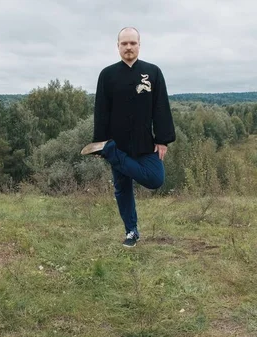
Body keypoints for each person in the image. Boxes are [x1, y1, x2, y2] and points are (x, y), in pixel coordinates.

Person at [80, 27, 176, 247]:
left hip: (145, 143)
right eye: (124, 43)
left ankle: (112, 153)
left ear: (139, 45)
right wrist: (100, 142)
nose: (129, 47)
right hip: (119, 142)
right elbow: (101, 111)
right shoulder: (107, 74)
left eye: (133, 43)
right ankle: (131, 232)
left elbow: (161, 106)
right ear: (118, 46)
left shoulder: (152, 72)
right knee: (122, 189)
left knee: (155, 179)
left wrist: (162, 139)